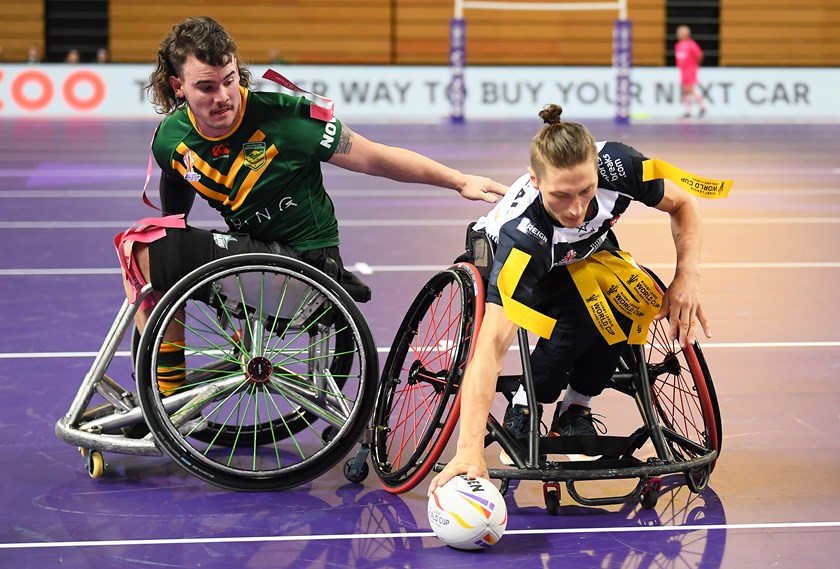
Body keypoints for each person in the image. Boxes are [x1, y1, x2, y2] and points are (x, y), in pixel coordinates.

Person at [117, 16, 507, 394]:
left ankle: (163, 401)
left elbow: (375, 157)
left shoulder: (288, 120)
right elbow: (175, 174)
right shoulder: (170, 137)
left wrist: (459, 181)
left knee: (144, 249)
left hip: (305, 267)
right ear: (178, 86)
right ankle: (163, 391)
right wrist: (175, 225)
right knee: (155, 253)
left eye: (229, 81)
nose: (223, 97)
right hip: (252, 257)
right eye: (206, 87)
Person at [429, 104, 713, 492]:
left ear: (598, 169)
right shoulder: (522, 235)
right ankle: (526, 401)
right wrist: (468, 449)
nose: (576, 208)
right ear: (535, 182)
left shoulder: (622, 164)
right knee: (578, 315)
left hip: (585, 248)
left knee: (635, 298)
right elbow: (491, 346)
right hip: (520, 254)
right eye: (561, 196)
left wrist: (686, 278)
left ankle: (575, 406)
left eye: (585, 191)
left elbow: (685, 203)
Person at [675, 25, 706, 118]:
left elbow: (700, 55)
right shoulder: (678, 45)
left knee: (690, 89)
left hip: (690, 69)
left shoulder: (691, 44)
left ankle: (702, 107)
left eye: (681, 33)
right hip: (683, 70)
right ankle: (688, 111)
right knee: (684, 90)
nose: (679, 35)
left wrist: (696, 66)